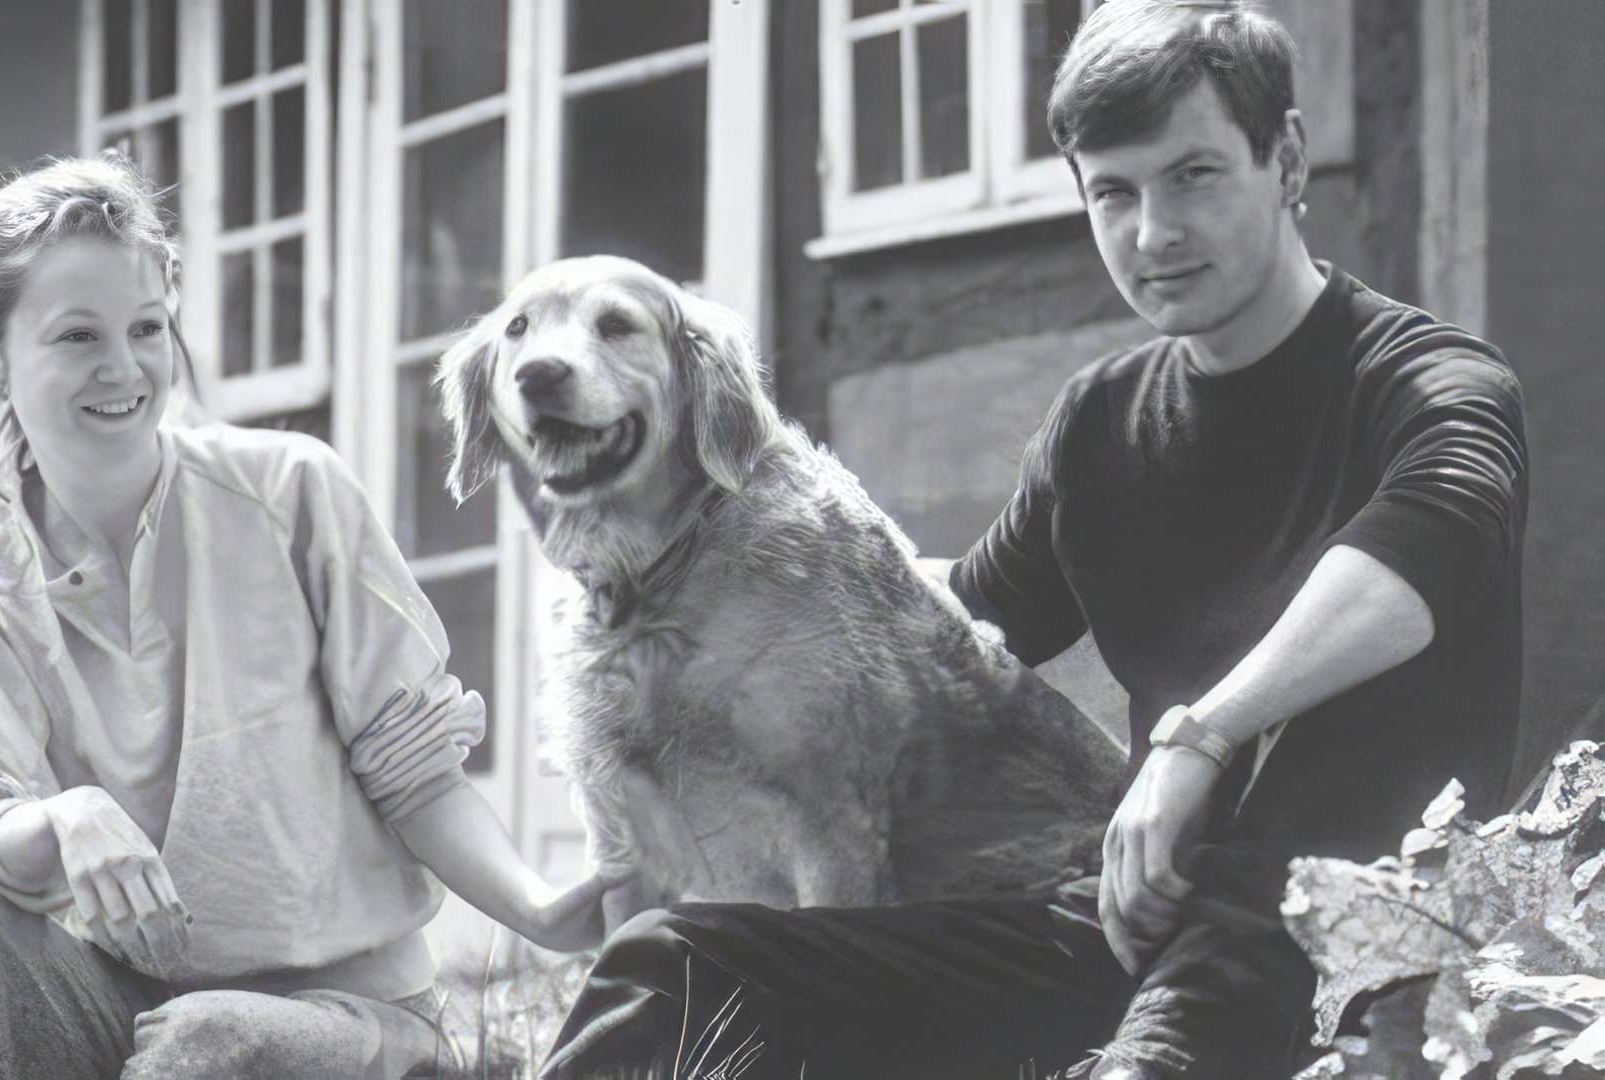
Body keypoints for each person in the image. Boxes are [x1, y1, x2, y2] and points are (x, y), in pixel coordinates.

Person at [538, 2, 1527, 1077]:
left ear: (1285, 157)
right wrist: (701, 566)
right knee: (672, 963)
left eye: (1192, 175)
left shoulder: (1430, 383)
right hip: (1122, 924)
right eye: (1114, 191)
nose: (1153, 233)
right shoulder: (1102, 424)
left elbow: (1421, 556)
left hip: (1351, 928)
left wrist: (1196, 739)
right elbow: (949, 628)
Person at [0, 153, 619, 1080]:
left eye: (147, 328)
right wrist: (67, 817)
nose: (125, 367)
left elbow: (415, 774)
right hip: (112, 1007)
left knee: (207, 1042)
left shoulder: (294, 493)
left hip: (347, 1021)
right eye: (78, 336)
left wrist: (544, 911)